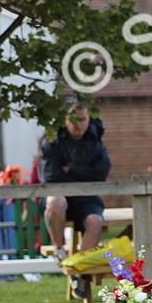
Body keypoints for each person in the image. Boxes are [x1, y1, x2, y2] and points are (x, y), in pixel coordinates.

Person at [40, 102, 111, 265]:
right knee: (56, 201)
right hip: (59, 197)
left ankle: (78, 268)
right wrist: (84, 173)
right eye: (74, 120)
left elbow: (100, 174)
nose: (79, 125)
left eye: (83, 120)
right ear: (65, 120)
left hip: (86, 198)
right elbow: (51, 177)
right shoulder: (52, 141)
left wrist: (70, 169)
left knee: (95, 222)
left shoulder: (96, 142)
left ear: (89, 119)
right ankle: (59, 251)